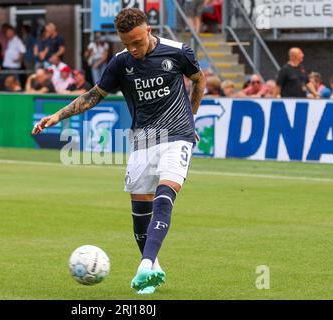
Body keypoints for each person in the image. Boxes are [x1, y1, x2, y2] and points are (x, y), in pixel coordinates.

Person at [32, 8, 205, 294]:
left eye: (137, 42)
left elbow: (198, 80)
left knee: (165, 195)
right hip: (143, 140)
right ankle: (153, 267)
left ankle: (145, 264)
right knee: (140, 209)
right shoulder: (120, 63)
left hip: (177, 135)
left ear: (148, 30)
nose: (133, 49)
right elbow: (93, 97)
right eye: (127, 43)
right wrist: (57, 116)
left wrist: (191, 118)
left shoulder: (177, 52)